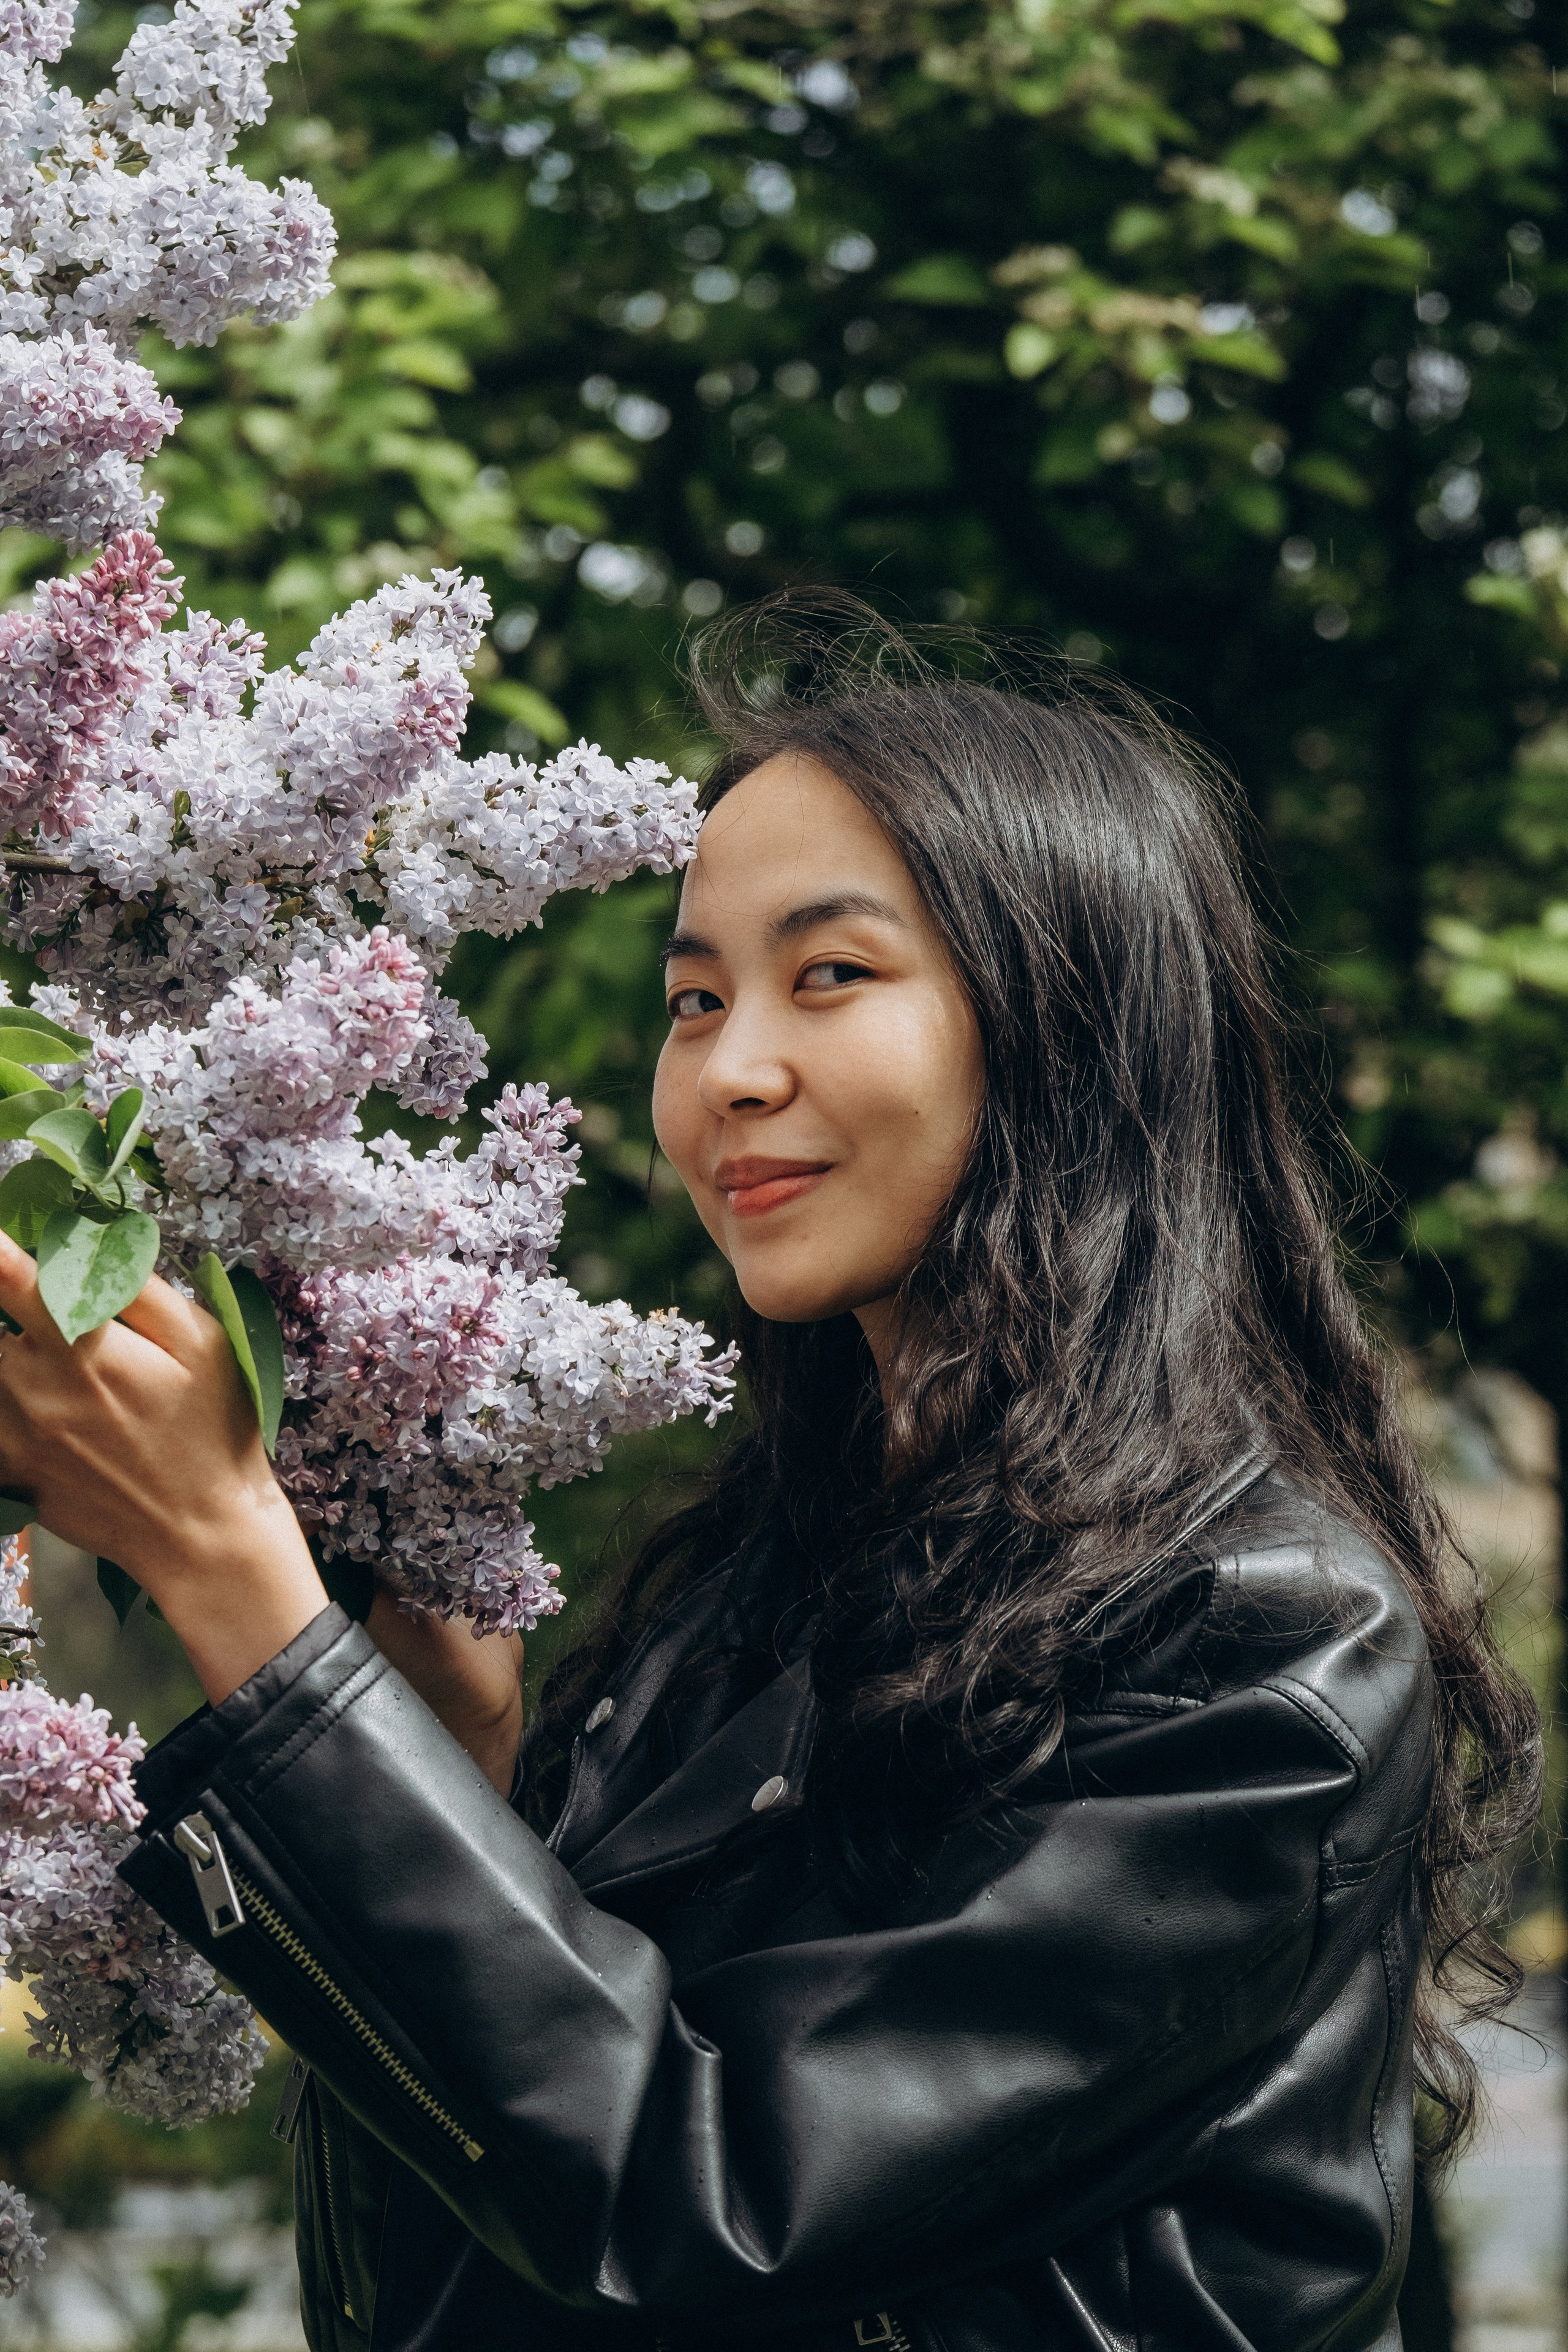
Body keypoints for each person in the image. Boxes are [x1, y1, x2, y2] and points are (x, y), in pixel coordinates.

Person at [0, 599, 1539, 2352]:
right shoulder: (743, 1607)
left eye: (832, 975)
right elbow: (455, 2275)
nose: (729, 1072)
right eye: (694, 998)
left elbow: (699, 2202)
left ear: (1069, 1025)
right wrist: (467, 1787)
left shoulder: (1256, 1646)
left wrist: (232, 1578)